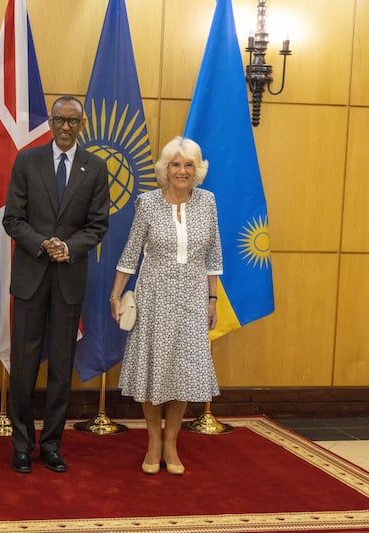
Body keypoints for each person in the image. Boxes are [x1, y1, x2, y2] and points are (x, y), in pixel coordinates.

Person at [3, 95, 110, 474]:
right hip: (31, 277)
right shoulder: (27, 161)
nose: (65, 128)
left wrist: (68, 247)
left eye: (73, 122)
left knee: (62, 368)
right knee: (24, 366)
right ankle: (21, 445)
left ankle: (51, 445)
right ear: (50, 123)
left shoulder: (95, 168)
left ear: (82, 126)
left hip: (68, 280)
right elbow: (12, 219)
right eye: (59, 120)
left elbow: (98, 225)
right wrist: (40, 244)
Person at [109, 136, 222, 476]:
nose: (182, 171)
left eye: (189, 164)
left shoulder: (208, 202)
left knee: (184, 373)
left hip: (192, 299)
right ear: (165, 169)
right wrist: (116, 294)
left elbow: (213, 255)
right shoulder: (147, 203)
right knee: (153, 370)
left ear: (197, 169)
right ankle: (153, 442)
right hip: (153, 296)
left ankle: (171, 443)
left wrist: (211, 300)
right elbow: (130, 253)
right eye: (175, 164)